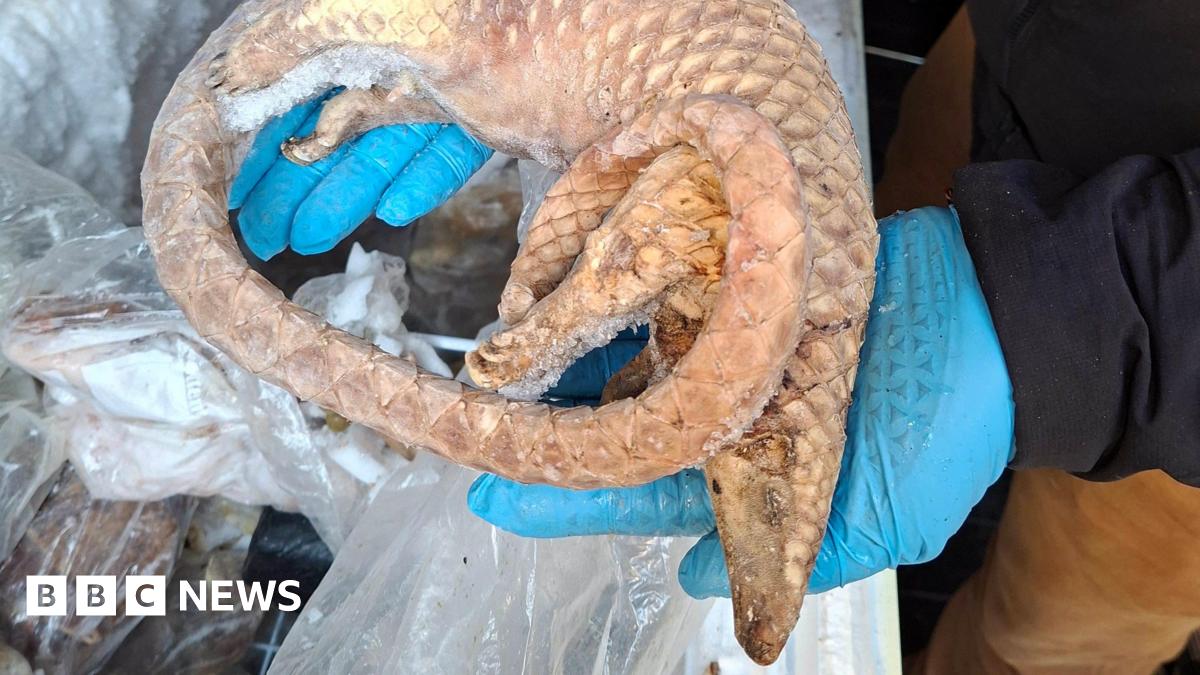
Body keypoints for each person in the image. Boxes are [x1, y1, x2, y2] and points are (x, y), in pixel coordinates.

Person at [231, 1, 1200, 670]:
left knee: (1049, 636)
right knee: (892, 190)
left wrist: (1094, 309)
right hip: (1049, 47)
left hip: (1169, 366)